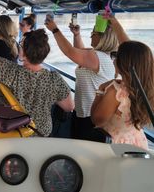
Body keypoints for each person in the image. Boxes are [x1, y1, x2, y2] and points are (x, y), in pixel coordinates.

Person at [0, 8, 74, 136]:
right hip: (43, 134)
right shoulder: (54, 79)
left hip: (18, 133)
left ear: (23, 54)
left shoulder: (13, 72)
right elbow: (69, 107)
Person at [45, 14, 118, 142]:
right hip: (84, 114)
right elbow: (79, 52)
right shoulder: (98, 56)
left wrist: (55, 30)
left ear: (103, 38)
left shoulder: (99, 57)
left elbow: (70, 52)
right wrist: (77, 35)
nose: (91, 33)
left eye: (94, 32)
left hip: (91, 118)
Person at [91, 41, 154, 150]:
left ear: (123, 63)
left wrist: (100, 90)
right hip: (138, 142)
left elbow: (97, 121)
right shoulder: (149, 88)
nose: (114, 60)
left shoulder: (116, 92)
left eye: (116, 56)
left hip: (118, 146)